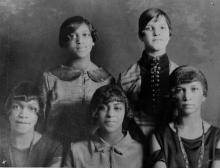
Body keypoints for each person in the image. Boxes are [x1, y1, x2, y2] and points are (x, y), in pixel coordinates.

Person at [41, 16, 114, 144]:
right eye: (73, 36)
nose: (80, 41)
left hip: (94, 150)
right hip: (58, 148)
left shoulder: (107, 80)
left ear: (93, 40)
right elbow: (39, 122)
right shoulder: (50, 78)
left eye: (85, 35)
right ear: (64, 42)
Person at [118, 8, 178, 138]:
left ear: (170, 34)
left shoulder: (179, 74)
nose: (157, 33)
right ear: (141, 35)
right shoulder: (126, 77)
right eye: (150, 28)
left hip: (172, 144)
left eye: (162, 28)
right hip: (136, 144)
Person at [149, 66, 220, 168]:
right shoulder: (159, 136)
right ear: (173, 95)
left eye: (194, 89)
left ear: (204, 95)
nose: (187, 97)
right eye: (180, 90)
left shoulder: (217, 137)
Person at [64, 84, 144, 168]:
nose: (110, 114)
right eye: (102, 108)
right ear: (95, 112)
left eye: (117, 108)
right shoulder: (76, 151)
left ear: (126, 111)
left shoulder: (140, 150)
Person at [0, 81, 63, 167]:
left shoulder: (53, 149)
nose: (23, 115)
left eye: (32, 109)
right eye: (16, 107)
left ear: (39, 114)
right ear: (8, 111)